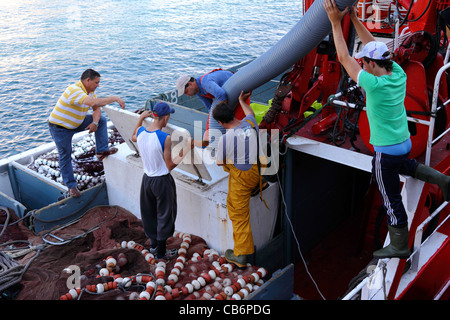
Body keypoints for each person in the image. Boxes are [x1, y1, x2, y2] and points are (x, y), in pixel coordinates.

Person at [324, 0, 450, 259]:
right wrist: (356, 21)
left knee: (390, 198)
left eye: (365, 62)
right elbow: (374, 50)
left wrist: (337, 23)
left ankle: (399, 244)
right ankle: (444, 180)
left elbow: (343, 57)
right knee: (405, 165)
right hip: (403, 143)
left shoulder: (372, 85)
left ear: (369, 65)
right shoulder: (398, 74)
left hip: (386, 150)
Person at [48, 68, 125, 198]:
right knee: (65, 154)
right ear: (88, 80)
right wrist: (115, 98)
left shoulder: (90, 92)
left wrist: (94, 123)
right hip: (60, 128)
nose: (98, 85)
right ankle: (71, 186)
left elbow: (96, 109)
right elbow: (93, 103)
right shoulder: (74, 90)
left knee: (101, 120)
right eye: (96, 82)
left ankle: (101, 150)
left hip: (76, 123)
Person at [131, 102, 194, 260]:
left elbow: (133, 136)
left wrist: (140, 118)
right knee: (165, 216)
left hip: (146, 180)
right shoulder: (165, 138)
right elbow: (170, 164)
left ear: (153, 115)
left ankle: (153, 247)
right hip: (162, 181)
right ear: (166, 118)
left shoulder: (140, 132)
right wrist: (187, 148)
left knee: (149, 214)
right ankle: (160, 253)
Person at [212, 90, 266, 267]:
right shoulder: (249, 124)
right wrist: (242, 101)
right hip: (256, 174)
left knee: (238, 213)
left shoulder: (226, 138)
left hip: (242, 180)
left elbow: (220, 163)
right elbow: (250, 113)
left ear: (220, 122)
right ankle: (258, 186)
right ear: (234, 114)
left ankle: (241, 255)